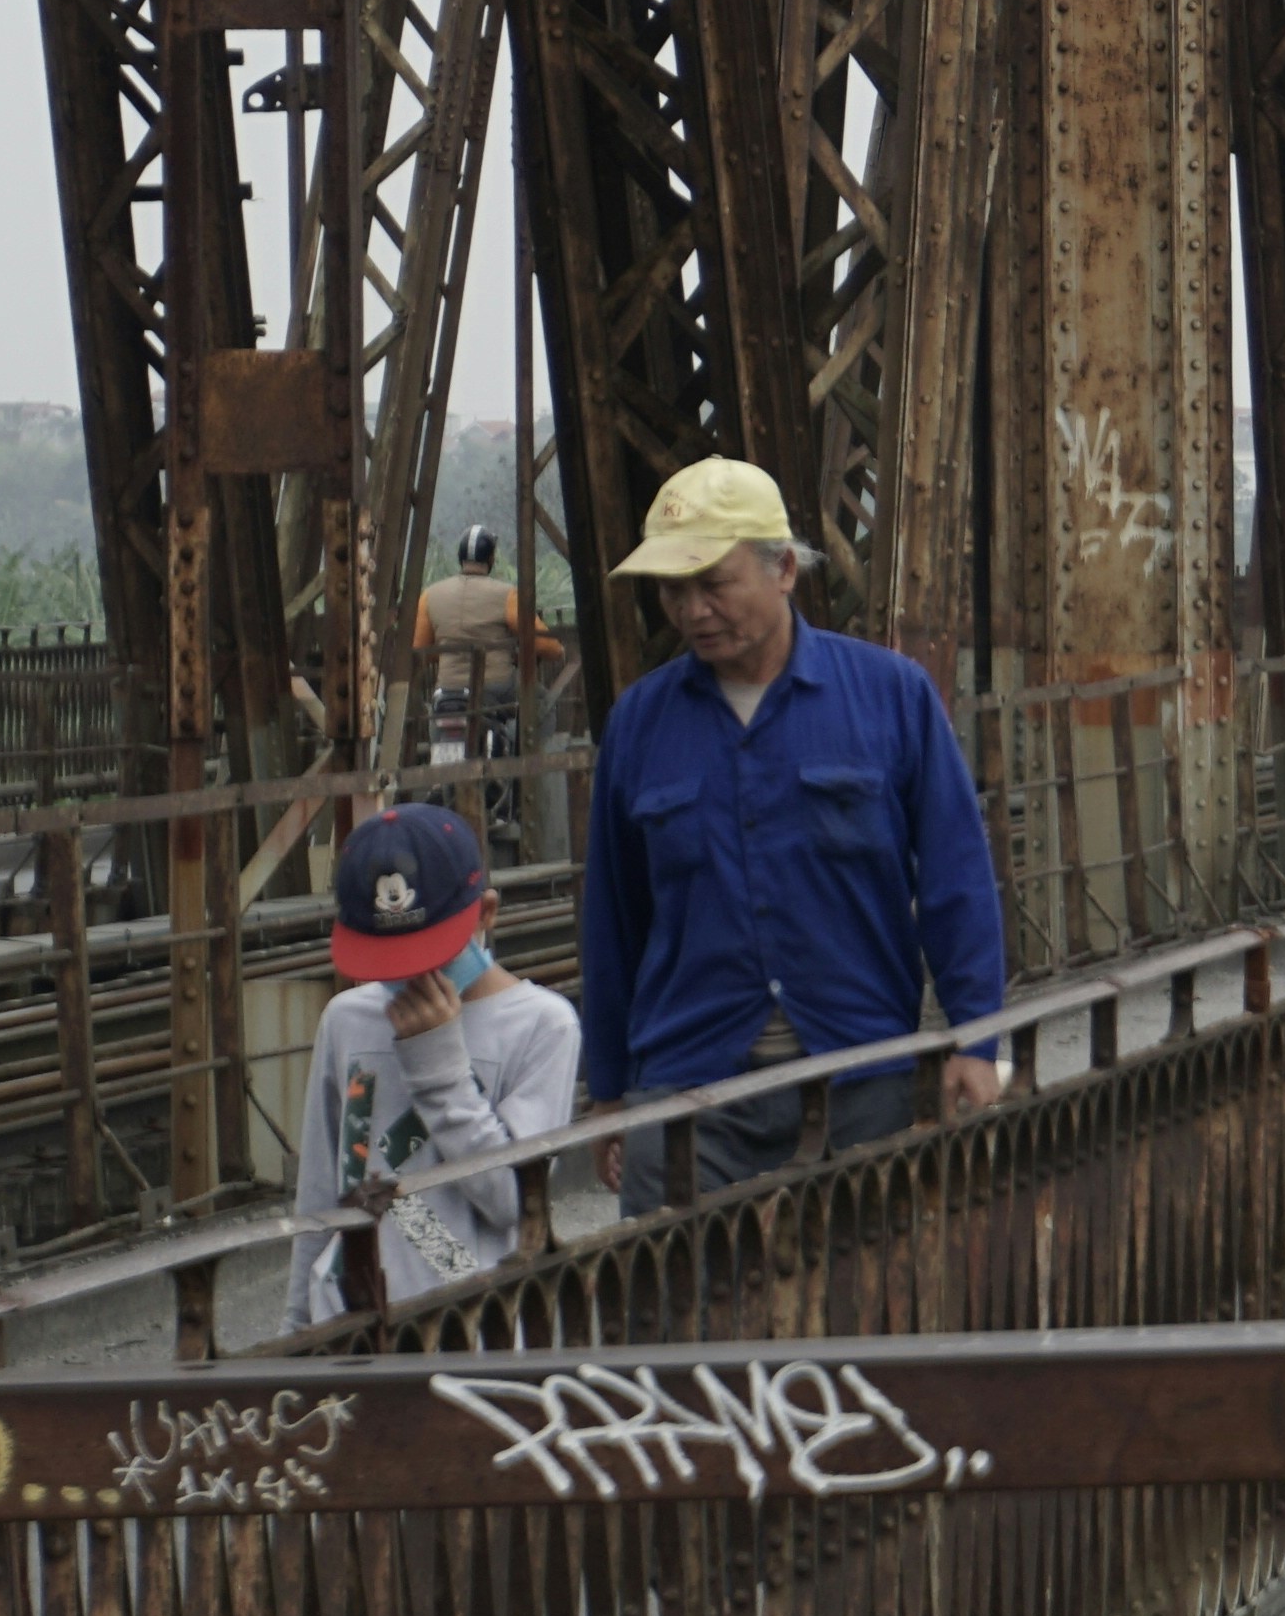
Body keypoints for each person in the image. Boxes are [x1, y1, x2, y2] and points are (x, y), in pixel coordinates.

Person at [577, 459, 1012, 1209]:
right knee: (674, 1314)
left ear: (783, 570)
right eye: (673, 590)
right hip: (687, 1092)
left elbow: (955, 880)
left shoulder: (889, 697)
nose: (692, 610)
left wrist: (976, 1044)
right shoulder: (641, 724)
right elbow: (613, 921)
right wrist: (609, 1093)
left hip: (862, 1073)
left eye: (713, 583)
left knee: (868, 1305)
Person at [286, 802, 575, 1330]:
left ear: (486, 913)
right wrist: (296, 1330)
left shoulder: (542, 1025)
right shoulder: (347, 1019)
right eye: (388, 958)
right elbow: (320, 1194)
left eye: (427, 953)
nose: (409, 975)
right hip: (349, 1322)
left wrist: (438, 1064)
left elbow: (512, 1201)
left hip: (474, 1326)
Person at [409, 524, 561, 756]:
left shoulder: (430, 596)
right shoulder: (506, 594)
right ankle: (527, 764)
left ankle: (439, 778)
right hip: (496, 687)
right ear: (490, 558)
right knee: (544, 705)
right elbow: (545, 645)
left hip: (449, 688)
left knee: (437, 716)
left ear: (461, 557)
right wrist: (557, 651)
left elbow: (421, 651)